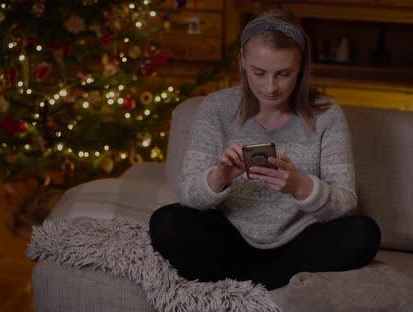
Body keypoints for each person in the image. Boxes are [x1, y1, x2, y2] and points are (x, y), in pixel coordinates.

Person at [148, 9, 381, 291]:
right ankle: (271, 286)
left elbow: (345, 203)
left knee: (363, 233)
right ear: (243, 61)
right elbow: (187, 194)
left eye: (284, 74)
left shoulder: (328, 115)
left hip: (298, 243)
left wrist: (301, 186)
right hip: (229, 236)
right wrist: (219, 176)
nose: (270, 88)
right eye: (259, 73)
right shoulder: (215, 107)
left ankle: (243, 287)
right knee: (166, 222)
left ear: (302, 67)